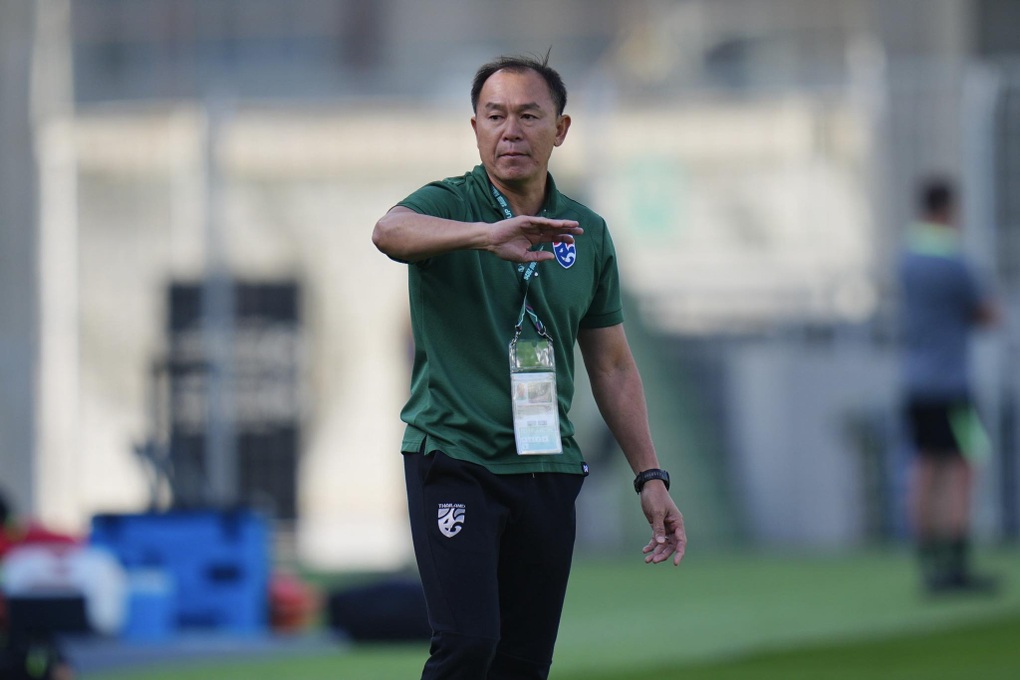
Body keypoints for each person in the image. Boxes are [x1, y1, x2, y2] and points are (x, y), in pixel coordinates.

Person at [372, 53, 686, 679]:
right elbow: (389, 231)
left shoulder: (586, 232)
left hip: (546, 467)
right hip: (455, 459)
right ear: (475, 128)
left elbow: (613, 366)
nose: (510, 131)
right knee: (467, 644)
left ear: (560, 129)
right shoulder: (450, 203)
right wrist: (485, 236)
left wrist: (650, 475)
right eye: (495, 116)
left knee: (522, 663)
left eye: (528, 115)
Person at [898, 176, 1001, 595]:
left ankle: (928, 561)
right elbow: (988, 314)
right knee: (966, 464)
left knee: (924, 469)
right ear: (948, 209)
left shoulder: (906, 256)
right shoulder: (953, 260)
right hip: (952, 385)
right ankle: (957, 563)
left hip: (915, 381)